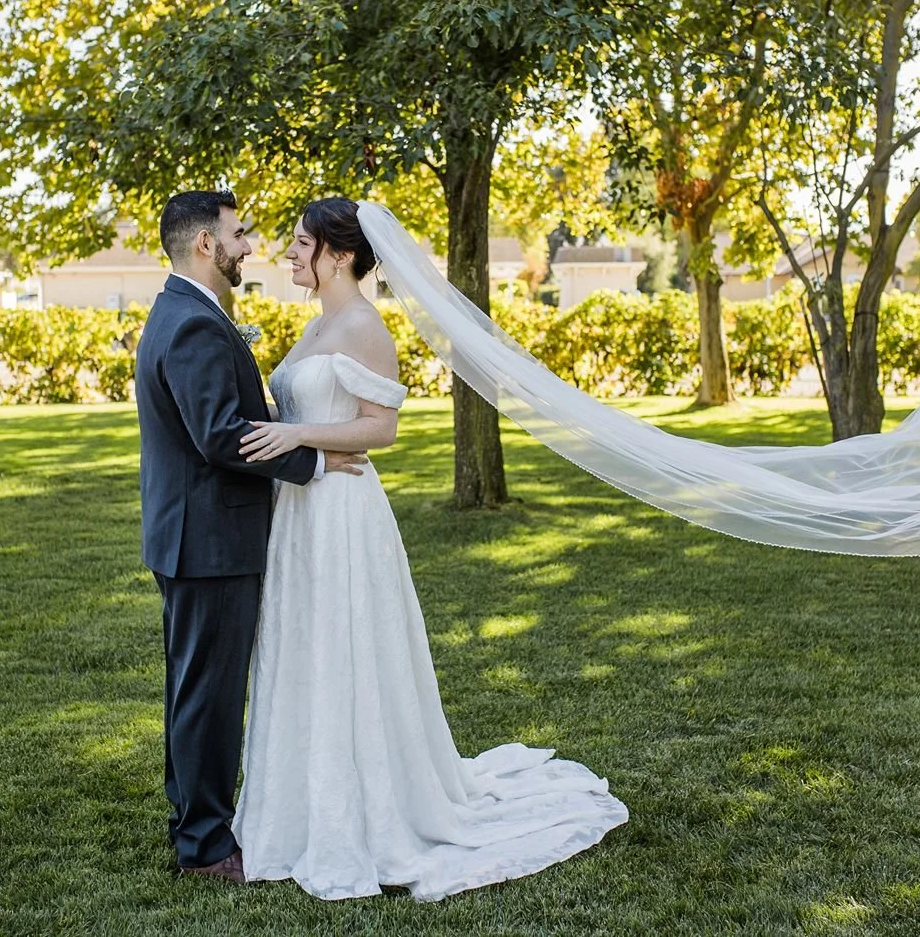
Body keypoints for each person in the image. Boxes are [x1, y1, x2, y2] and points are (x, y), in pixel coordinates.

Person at [231, 196, 627, 901]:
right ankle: (296, 806)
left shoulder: (362, 325)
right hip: (300, 513)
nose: (288, 254)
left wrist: (298, 436)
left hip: (343, 513)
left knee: (347, 648)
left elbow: (380, 429)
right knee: (307, 648)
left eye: (300, 244)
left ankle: (366, 808)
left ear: (340, 254)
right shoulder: (319, 323)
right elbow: (298, 409)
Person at [133, 189, 367, 882]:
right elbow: (221, 436)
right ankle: (204, 846)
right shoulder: (195, 323)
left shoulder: (183, 310)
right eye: (238, 234)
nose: (248, 245)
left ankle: (193, 821)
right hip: (210, 538)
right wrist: (317, 459)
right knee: (208, 694)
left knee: (194, 688)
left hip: (190, 535)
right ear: (205, 244)